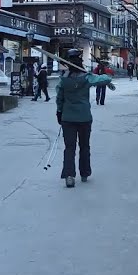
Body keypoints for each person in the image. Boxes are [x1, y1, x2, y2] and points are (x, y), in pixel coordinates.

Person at [56, 49, 115, 187]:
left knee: (69, 147)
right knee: (84, 146)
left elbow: (59, 98)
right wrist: (104, 71)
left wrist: (59, 112)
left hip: (68, 117)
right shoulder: (87, 77)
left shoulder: (63, 79)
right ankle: (84, 173)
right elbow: (106, 79)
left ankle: (69, 176)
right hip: (84, 117)